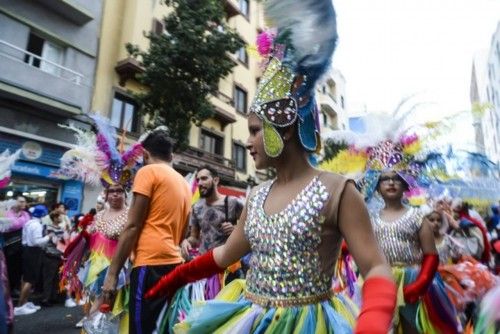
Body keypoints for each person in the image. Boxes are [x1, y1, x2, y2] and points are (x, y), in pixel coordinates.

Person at [143, 2, 397, 333]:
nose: (247, 142)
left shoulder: (339, 190)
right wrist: (170, 282)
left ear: (285, 128)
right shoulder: (257, 194)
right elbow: (223, 255)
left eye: (254, 130)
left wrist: (373, 323)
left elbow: (376, 266)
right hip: (250, 319)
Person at [55, 114, 144, 331]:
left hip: (119, 271)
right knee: (93, 306)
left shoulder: (131, 214)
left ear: (125, 193)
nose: (114, 195)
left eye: (118, 191)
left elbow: (134, 243)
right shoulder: (98, 215)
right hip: (94, 268)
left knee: (113, 313)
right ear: (106, 193)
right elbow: (88, 241)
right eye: (111, 191)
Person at [101, 128, 191, 334]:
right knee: (164, 328)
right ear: (170, 155)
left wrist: (112, 274)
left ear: (145, 154)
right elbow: (182, 233)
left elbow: (132, 225)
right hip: (174, 264)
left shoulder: (147, 172)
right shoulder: (184, 184)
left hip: (150, 265)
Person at [158, 166, 244, 329]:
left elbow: (249, 230)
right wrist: (186, 242)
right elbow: (195, 238)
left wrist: (235, 231)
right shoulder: (196, 207)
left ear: (216, 180)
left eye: (204, 178)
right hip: (206, 272)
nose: (200, 183)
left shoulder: (232, 203)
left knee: (226, 322)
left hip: (228, 272)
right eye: (198, 179)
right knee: (202, 320)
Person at [14, 205, 50, 316]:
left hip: (27, 251)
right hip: (33, 252)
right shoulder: (36, 226)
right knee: (30, 280)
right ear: (42, 215)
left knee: (25, 279)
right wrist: (49, 237)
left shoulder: (29, 223)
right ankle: (20, 306)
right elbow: (37, 242)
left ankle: (24, 303)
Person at [3, 196, 30, 293]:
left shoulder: (26, 214)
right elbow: (12, 225)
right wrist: (23, 221)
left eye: (24, 201)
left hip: (22, 247)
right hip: (10, 246)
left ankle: (15, 288)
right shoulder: (6, 213)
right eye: (21, 201)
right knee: (9, 269)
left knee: (19, 269)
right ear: (14, 202)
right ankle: (8, 290)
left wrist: (21, 221)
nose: (24, 203)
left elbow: (27, 225)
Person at [41, 211, 67, 306]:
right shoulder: (49, 228)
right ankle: (45, 299)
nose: (62, 218)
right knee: (49, 278)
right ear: (55, 218)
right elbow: (55, 241)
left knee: (56, 278)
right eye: (60, 216)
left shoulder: (61, 228)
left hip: (58, 256)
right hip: (50, 255)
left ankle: (53, 297)